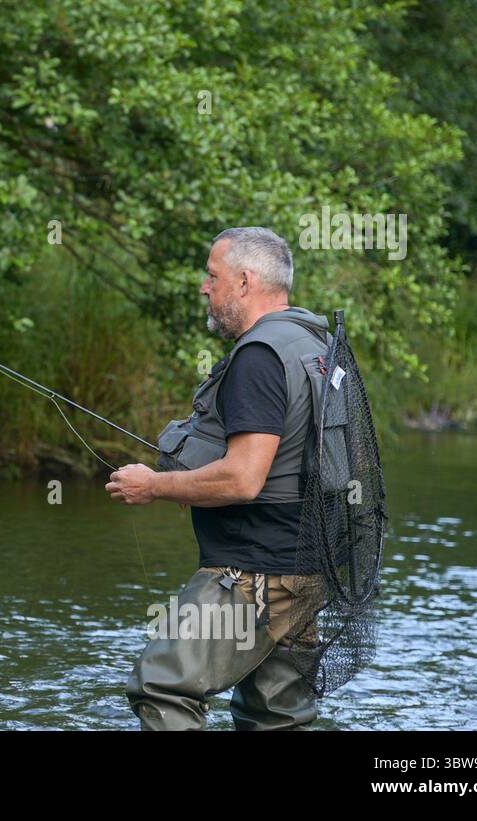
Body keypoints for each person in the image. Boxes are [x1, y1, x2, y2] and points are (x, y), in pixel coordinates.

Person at [105, 227, 328, 730]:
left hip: (254, 573)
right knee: (275, 717)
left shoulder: (259, 357)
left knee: (162, 684)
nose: (205, 287)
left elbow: (244, 478)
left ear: (245, 282)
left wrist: (153, 485)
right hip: (308, 570)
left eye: (213, 276)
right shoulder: (316, 347)